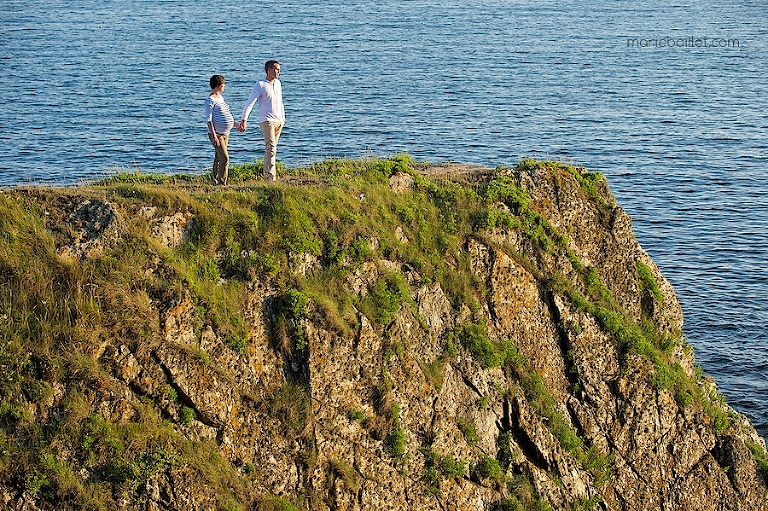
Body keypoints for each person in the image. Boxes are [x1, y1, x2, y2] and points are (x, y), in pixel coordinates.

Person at [238, 60, 285, 182]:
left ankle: (271, 174)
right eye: (276, 69)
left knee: (272, 149)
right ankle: (269, 177)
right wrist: (244, 119)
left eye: (279, 69)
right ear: (269, 70)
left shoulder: (278, 84)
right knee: (271, 147)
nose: (278, 72)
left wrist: (283, 118)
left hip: (279, 120)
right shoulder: (260, 85)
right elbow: (250, 102)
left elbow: (280, 102)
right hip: (267, 121)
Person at [205, 74, 237, 186]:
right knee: (225, 158)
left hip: (225, 133)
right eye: (223, 84)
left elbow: (226, 113)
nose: (224, 86)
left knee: (218, 158)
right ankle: (222, 182)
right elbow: (209, 120)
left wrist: (235, 124)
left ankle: (214, 179)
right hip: (217, 134)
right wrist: (214, 136)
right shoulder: (210, 100)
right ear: (218, 85)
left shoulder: (220, 98)